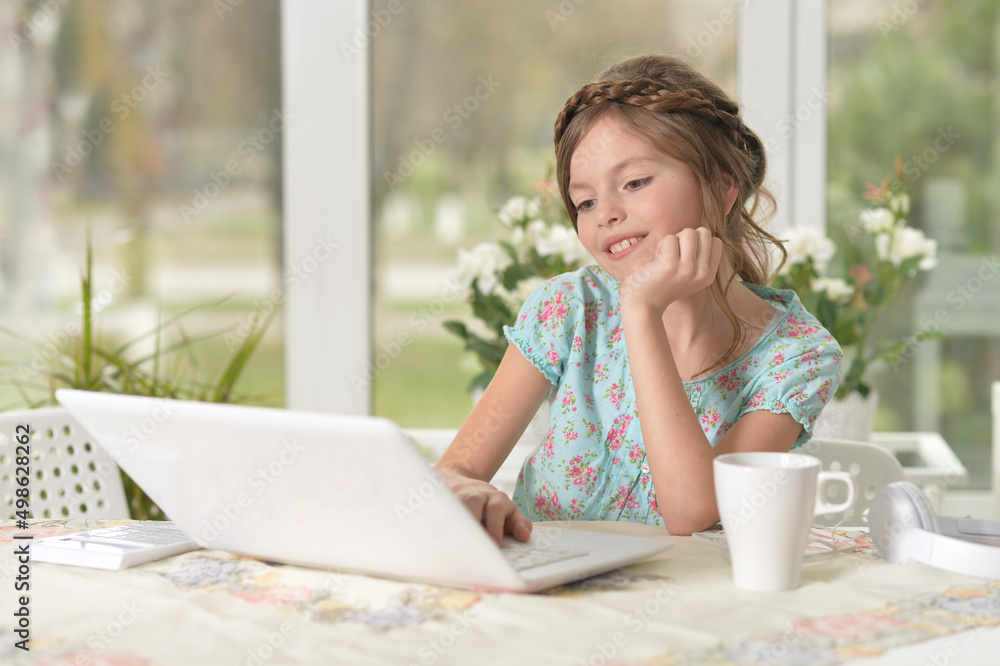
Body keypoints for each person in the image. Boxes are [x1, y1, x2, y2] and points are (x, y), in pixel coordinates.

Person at [434, 54, 843, 543]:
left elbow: (690, 511)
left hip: (684, 609)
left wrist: (642, 312)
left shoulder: (796, 356)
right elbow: (453, 472)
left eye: (634, 183)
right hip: (545, 598)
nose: (605, 213)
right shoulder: (567, 309)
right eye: (585, 201)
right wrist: (464, 491)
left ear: (720, 187)